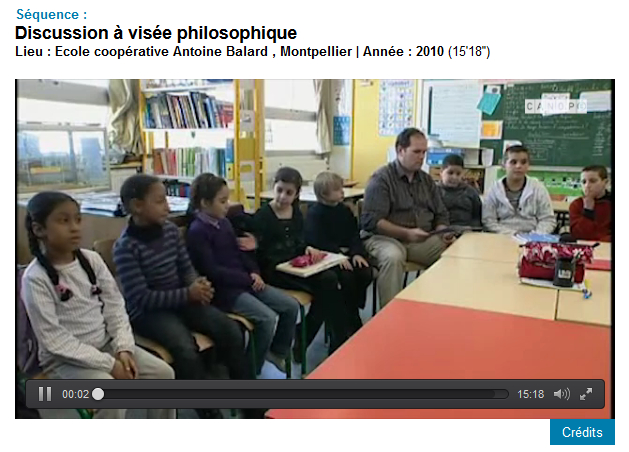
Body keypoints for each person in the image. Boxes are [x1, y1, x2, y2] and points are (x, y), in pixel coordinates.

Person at [113, 174, 261, 418]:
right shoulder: (125, 247)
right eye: (159, 201)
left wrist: (197, 285)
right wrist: (188, 293)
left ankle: (253, 409)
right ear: (137, 206)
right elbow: (142, 298)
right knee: (184, 348)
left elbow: (186, 267)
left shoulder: (170, 231)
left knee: (229, 329)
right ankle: (210, 414)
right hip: (149, 313)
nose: (167, 207)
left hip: (182, 300)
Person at [21, 191, 175, 419]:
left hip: (106, 346)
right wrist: (110, 365)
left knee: (163, 374)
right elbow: (55, 341)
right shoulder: (35, 278)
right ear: (39, 229)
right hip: (64, 362)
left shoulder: (91, 260)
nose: (74, 228)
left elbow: (115, 307)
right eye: (64, 221)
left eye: (78, 219)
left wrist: (123, 348)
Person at [186, 173, 299, 375]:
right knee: (266, 319)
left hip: (245, 282)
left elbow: (241, 252)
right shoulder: (197, 232)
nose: (227, 205)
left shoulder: (224, 223)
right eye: (222, 201)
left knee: (291, 306)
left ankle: (276, 353)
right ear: (204, 203)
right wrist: (247, 279)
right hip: (225, 291)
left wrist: (254, 272)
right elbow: (212, 271)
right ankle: (250, 372)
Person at [253, 167, 354, 361]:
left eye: (289, 192)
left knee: (329, 281)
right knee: (328, 288)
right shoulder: (263, 215)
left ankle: (308, 336)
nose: (283, 196)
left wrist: (307, 248)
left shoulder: (296, 213)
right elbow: (261, 251)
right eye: (279, 190)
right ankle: (333, 338)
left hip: (296, 267)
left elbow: (299, 241)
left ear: (296, 194)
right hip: (274, 270)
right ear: (273, 187)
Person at [360, 128, 452, 308]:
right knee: (393, 257)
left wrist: (442, 230)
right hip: (384, 238)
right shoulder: (381, 179)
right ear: (400, 150)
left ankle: (439, 310)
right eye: (416, 152)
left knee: (454, 254)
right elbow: (371, 221)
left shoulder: (426, 180)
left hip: (420, 239)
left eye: (424, 152)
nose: (422, 157)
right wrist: (406, 233)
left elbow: (441, 213)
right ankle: (390, 317)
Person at [305, 171, 372, 334]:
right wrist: (337, 256)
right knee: (346, 277)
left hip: (347, 254)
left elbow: (354, 235)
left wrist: (356, 253)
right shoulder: (315, 213)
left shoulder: (344, 210)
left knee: (365, 272)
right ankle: (350, 318)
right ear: (324, 194)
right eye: (337, 190)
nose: (342, 192)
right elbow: (319, 241)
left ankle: (351, 310)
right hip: (328, 257)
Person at [482, 145, 556, 234]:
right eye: (513, 162)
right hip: (502, 236)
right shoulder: (493, 190)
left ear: (528, 165)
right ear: (504, 165)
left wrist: (535, 235)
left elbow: (548, 219)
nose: (518, 166)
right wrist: (513, 234)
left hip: (533, 237)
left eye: (523, 162)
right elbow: (489, 221)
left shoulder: (538, 188)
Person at [437, 154, 482, 228]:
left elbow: (477, 217)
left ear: (463, 174)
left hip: (467, 230)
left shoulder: (471, 192)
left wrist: (473, 229)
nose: (454, 177)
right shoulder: (434, 192)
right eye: (450, 173)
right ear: (441, 172)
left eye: (458, 174)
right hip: (442, 230)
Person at [569, 165, 612, 241]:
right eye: (584, 182)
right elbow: (578, 235)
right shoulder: (576, 204)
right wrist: (588, 210)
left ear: (605, 182)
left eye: (593, 181)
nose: (587, 185)